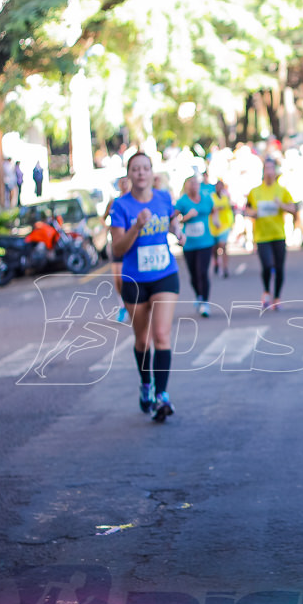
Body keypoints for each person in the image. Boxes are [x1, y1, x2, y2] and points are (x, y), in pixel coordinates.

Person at [108, 152, 186, 423]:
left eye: (145, 168)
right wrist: (137, 227)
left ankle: (162, 395)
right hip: (134, 280)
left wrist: (177, 231)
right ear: (129, 175)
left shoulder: (164, 198)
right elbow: (117, 248)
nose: (140, 173)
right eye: (135, 169)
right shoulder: (121, 206)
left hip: (165, 274)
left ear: (152, 173)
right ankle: (146, 384)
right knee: (142, 340)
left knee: (162, 335)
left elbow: (171, 218)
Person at [245, 157, 297, 311]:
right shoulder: (255, 192)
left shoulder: (282, 191)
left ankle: (277, 297)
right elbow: (247, 210)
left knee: (279, 268)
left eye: (271, 169)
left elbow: (293, 209)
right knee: (267, 266)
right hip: (262, 236)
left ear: (275, 172)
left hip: (278, 234)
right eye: (266, 169)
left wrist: (281, 205)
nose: (269, 172)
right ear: (263, 172)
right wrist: (253, 213)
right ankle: (267, 291)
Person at [175, 173, 218, 318]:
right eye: (191, 183)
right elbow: (174, 219)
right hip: (189, 244)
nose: (194, 186)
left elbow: (214, 211)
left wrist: (216, 221)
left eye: (196, 183)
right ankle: (199, 295)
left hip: (206, 242)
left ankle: (205, 302)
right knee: (193, 274)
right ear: (186, 186)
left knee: (202, 271)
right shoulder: (182, 202)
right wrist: (186, 217)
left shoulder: (206, 199)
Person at [104, 175, 132, 323]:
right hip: (117, 245)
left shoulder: (135, 201)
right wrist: (109, 228)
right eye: (122, 182)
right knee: (118, 279)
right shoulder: (114, 202)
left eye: (127, 182)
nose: (125, 185)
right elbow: (104, 218)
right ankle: (123, 306)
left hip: (132, 244)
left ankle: (136, 305)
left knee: (132, 277)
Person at [210, 180, 234, 278]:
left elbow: (229, 210)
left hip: (224, 225)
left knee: (223, 246)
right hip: (213, 226)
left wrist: (231, 223)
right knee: (215, 248)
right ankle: (216, 262)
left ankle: (225, 268)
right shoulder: (211, 197)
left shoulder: (226, 198)